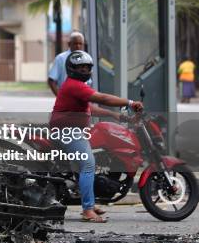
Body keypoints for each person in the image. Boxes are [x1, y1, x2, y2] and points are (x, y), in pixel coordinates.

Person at [50, 50, 143, 223]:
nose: (84, 70)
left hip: (72, 131)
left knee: (84, 165)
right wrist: (129, 103)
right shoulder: (75, 86)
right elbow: (103, 98)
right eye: (81, 67)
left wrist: (117, 116)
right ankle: (87, 210)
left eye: (87, 67)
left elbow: (91, 108)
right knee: (87, 164)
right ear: (72, 68)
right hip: (67, 132)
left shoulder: (76, 86)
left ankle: (89, 203)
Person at [48, 31, 87, 96]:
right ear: (69, 44)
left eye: (80, 44)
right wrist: (60, 98)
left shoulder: (86, 58)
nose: (78, 46)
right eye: (75, 43)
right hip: (67, 97)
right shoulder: (61, 58)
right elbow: (51, 81)